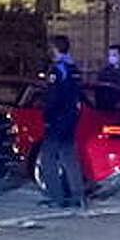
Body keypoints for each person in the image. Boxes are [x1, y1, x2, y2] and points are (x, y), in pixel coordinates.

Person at [40, 35, 86, 209]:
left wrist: (47, 116)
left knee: (48, 157)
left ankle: (56, 197)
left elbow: (52, 97)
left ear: (55, 49)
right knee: (68, 156)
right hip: (72, 117)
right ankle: (78, 195)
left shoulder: (56, 70)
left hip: (57, 118)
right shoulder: (74, 68)